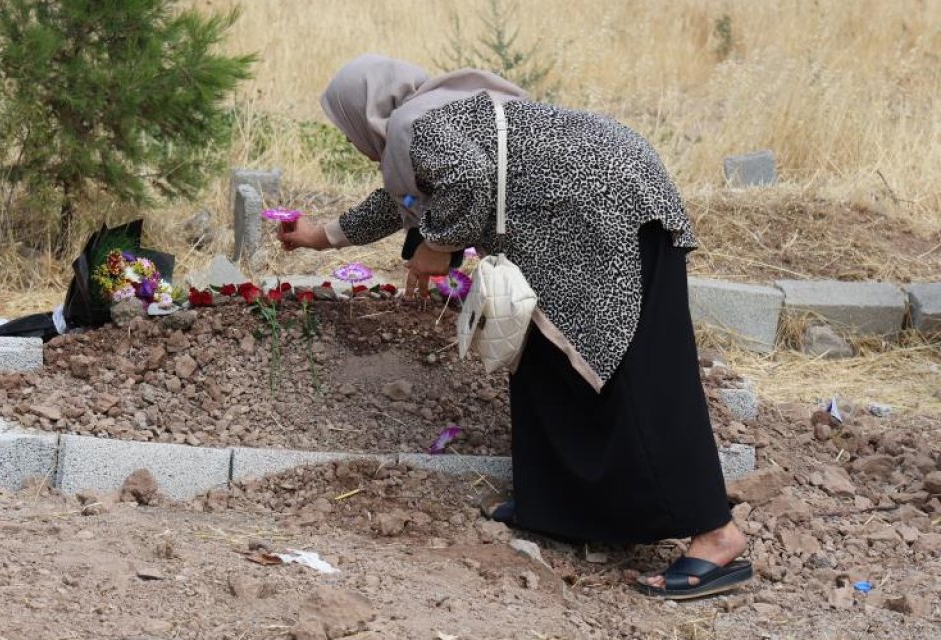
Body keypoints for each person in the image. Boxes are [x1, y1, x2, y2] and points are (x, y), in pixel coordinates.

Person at [275, 54, 751, 600]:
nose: (351, 138)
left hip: (614, 210)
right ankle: (562, 505)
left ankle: (717, 536)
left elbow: (467, 179)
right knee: (548, 357)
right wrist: (324, 235)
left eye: (346, 124)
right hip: (590, 208)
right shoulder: (432, 116)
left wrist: (435, 247)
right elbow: (411, 195)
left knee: (641, 373)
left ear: (364, 111)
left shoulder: (417, 124)